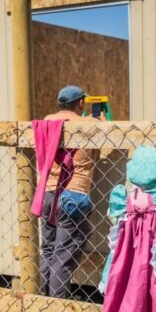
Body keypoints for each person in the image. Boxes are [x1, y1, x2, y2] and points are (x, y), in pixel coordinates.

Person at [39, 85, 105, 299]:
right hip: (73, 195)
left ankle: (42, 301)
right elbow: (109, 147)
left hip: (48, 194)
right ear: (81, 103)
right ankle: (58, 306)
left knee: (48, 251)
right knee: (64, 256)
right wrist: (102, 120)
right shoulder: (90, 124)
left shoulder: (47, 122)